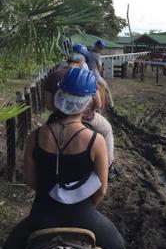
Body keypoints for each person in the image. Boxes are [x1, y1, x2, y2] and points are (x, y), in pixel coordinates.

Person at [0, 68, 151, 249]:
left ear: (60, 97)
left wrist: (51, 197)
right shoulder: (96, 141)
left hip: (41, 215)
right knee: (119, 248)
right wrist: (82, 204)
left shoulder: (36, 136)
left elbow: (30, 179)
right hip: (85, 216)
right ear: (88, 101)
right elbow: (101, 190)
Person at [45, 52, 118, 180]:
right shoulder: (86, 77)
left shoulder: (53, 75)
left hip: (59, 115)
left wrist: (62, 109)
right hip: (86, 116)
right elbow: (99, 104)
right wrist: (91, 110)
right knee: (107, 130)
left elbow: (49, 106)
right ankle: (108, 165)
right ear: (81, 62)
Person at [87, 39, 115, 109]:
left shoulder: (87, 53)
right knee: (106, 87)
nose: (101, 49)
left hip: (86, 75)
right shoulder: (97, 55)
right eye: (101, 48)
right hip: (95, 76)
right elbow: (100, 67)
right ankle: (111, 104)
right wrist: (100, 72)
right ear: (99, 48)